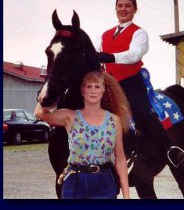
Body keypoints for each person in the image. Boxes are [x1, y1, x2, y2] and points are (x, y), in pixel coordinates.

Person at [95, 0, 184, 168]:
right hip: (107, 83)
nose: (123, 9)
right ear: (115, 8)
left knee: (143, 112)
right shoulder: (104, 35)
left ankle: (170, 149)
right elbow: (95, 53)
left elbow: (134, 54)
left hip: (130, 81)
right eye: (120, 5)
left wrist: (110, 57)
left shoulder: (139, 33)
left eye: (128, 6)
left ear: (135, 10)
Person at [35, 71, 130, 199]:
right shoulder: (69, 116)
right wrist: (49, 87)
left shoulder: (114, 120)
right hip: (75, 183)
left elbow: (120, 159)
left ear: (103, 90)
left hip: (105, 184)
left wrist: (127, 196)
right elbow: (39, 113)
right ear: (82, 90)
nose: (93, 91)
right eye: (88, 86)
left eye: (97, 87)